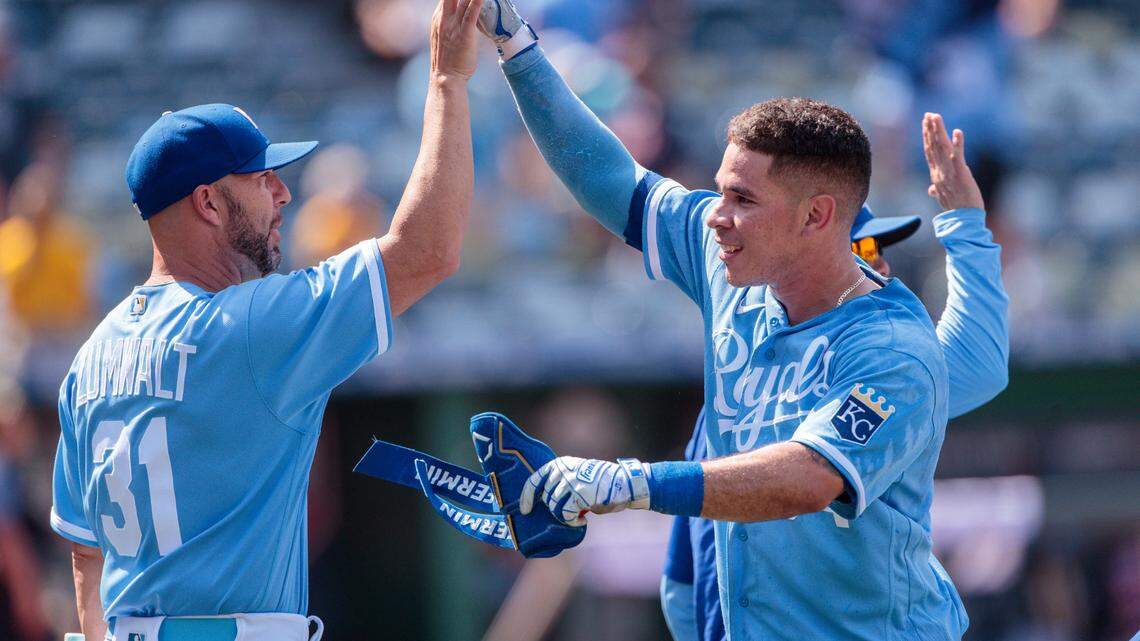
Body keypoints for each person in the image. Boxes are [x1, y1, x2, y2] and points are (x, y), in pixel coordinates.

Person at [478, 3, 974, 638]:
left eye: (743, 200)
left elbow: (806, 479)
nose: (716, 215)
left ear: (817, 216)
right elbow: (608, 175)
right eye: (719, 192)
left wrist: (632, 483)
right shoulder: (730, 265)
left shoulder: (894, 348)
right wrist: (517, 48)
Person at [49, 2, 482, 640]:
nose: (282, 193)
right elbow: (429, 251)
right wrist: (446, 81)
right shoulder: (250, 326)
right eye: (261, 178)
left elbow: (86, 554)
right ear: (208, 203)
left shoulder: (90, 359)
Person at [660, 140, 1010, 640]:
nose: (879, 264)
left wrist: (967, 228)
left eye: (882, 249)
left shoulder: (890, 366)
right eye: (866, 249)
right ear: (825, 242)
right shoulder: (732, 411)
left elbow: (980, 364)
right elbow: (683, 586)